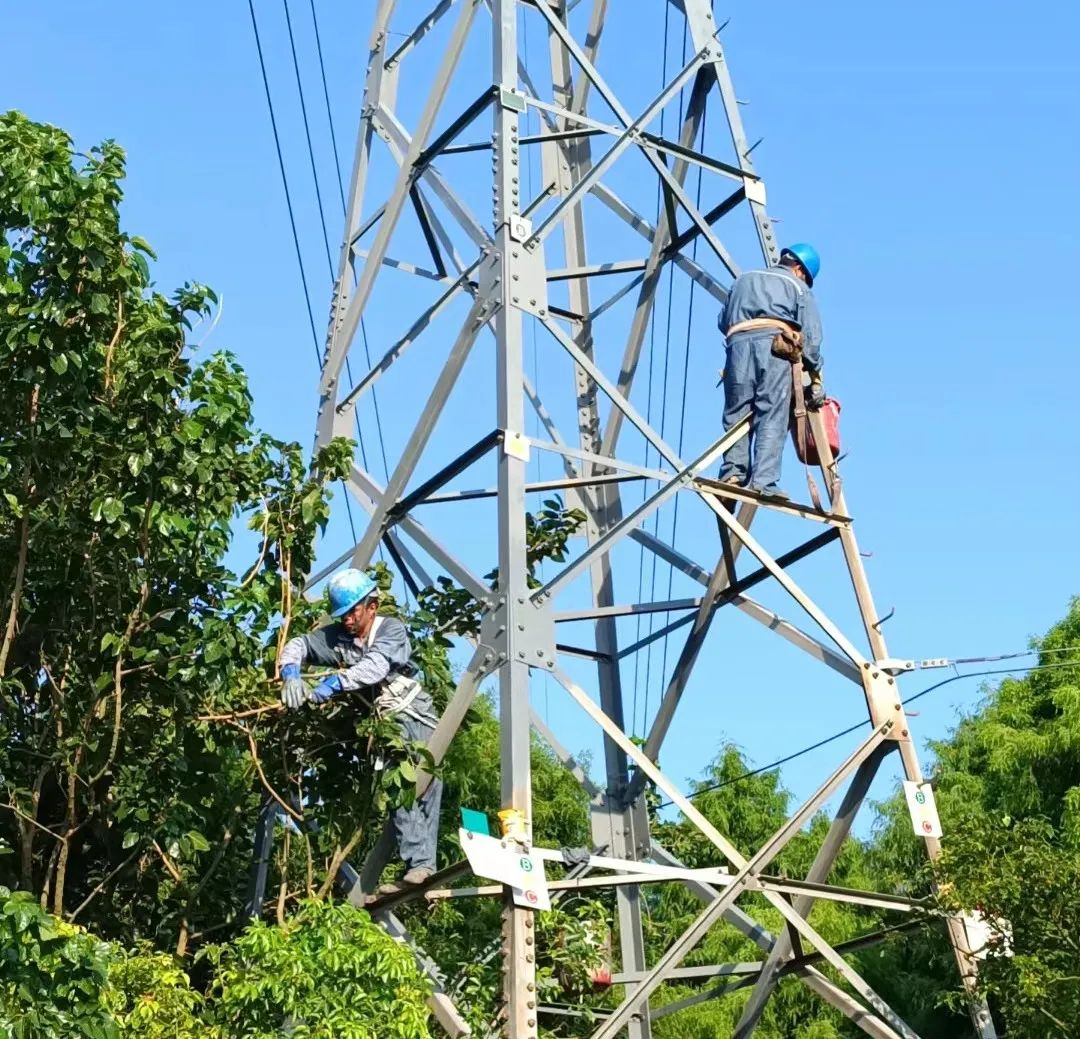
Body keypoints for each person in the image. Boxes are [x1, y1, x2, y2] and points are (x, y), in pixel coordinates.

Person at [278, 567, 442, 890]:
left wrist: (333, 684)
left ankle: (423, 866)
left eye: (353, 612)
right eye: (342, 615)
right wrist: (291, 673)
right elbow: (299, 644)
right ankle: (418, 867)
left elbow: (375, 667)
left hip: (416, 716)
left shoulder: (391, 629)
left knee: (424, 789)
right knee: (400, 787)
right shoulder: (339, 636)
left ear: (372, 606)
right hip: (387, 724)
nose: (347, 620)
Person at [717, 243, 825, 498]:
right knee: (772, 412)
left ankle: (732, 474)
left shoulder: (743, 279)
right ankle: (763, 481)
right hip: (775, 346)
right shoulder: (798, 286)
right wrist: (816, 377)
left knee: (737, 413)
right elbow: (811, 339)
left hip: (737, 347)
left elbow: (722, 321)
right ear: (800, 269)